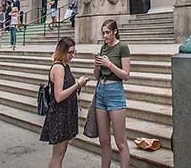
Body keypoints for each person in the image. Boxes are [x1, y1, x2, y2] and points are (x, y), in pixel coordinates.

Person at [39, 37, 89, 168]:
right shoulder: (59, 68)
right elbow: (59, 96)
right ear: (63, 51)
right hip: (60, 115)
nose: (72, 55)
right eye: (70, 52)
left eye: (74, 52)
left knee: (60, 154)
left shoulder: (65, 66)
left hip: (66, 113)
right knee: (58, 156)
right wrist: (77, 84)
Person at [94, 19, 131, 168]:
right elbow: (97, 76)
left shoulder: (122, 47)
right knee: (103, 141)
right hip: (101, 91)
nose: (105, 36)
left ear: (115, 31)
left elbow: (126, 75)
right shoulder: (103, 48)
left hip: (115, 92)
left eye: (108, 32)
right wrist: (97, 65)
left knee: (120, 142)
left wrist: (109, 64)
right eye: (103, 33)